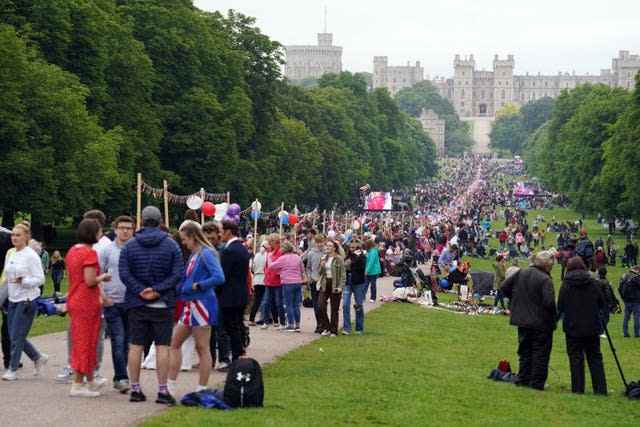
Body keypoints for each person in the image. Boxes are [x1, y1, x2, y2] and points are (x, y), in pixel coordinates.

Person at [119, 206, 183, 405]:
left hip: (137, 303)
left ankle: (135, 388)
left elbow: (124, 272)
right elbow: (177, 273)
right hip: (163, 304)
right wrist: (158, 290)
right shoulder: (172, 245)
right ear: (160, 220)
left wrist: (140, 290)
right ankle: (163, 390)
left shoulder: (130, 246)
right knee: (163, 346)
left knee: (135, 346)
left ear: (142, 220)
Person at [168, 222, 225, 394]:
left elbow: (219, 277)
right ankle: (170, 385)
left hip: (201, 304)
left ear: (193, 237)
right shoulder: (196, 254)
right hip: (190, 303)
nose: (183, 243)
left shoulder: (206, 253)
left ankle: (201, 387)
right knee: (175, 343)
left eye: (185, 239)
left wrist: (198, 285)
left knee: (202, 347)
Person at [65, 219, 113, 397]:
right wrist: (104, 277)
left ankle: (89, 379)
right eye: (99, 231)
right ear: (93, 233)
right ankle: (78, 384)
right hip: (86, 302)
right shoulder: (89, 254)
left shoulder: (72, 251)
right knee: (86, 342)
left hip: (75, 299)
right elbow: (90, 280)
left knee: (84, 340)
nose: (101, 235)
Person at [501, 250, 557, 391]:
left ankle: (523, 378)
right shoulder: (545, 279)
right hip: (541, 322)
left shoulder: (521, 273)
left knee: (525, 351)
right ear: (546, 265)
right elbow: (549, 303)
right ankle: (536, 383)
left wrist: (516, 301)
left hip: (523, 320)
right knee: (540, 353)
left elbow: (504, 287)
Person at [1, 223, 48, 381]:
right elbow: (6, 276)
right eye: (13, 235)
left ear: (26, 237)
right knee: (14, 334)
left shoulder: (31, 255)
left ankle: (12, 369)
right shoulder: (11, 253)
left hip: (27, 299)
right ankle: (37, 357)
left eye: (18, 235)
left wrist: (25, 281)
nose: (14, 238)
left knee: (16, 336)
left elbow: (40, 279)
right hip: (12, 298)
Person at [557, 257, 607, 395]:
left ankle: (578, 388)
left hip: (573, 327)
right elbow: (602, 302)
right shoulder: (593, 282)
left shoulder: (566, 284)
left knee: (575, 358)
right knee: (595, 357)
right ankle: (600, 388)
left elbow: (560, 305)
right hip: (592, 326)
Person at [98, 215, 135, 393]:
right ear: (115, 229)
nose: (125, 231)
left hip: (131, 302)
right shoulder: (107, 250)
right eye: (122, 228)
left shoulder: (136, 249)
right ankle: (121, 377)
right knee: (118, 340)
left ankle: (121, 374)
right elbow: (98, 274)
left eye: (129, 228)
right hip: (112, 301)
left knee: (127, 341)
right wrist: (103, 296)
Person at [218, 220, 251, 360]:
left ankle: (237, 355)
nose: (220, 235)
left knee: (231, 327)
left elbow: (223, 275)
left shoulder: (229, 251)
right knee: (237, 325)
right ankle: (239, 352)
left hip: (230, 295)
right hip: (240, 293)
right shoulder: (242, 248)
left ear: (228, 231)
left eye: (221, 231)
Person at [268, 241, 305, 332]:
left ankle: (291, 324)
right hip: (297, 282)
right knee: (296, 305)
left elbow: (271, 266)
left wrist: (269, 257)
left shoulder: (283, 258)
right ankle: (297, 325)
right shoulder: (297, 257)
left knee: (288, 304)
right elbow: (302, 269)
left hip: (287, 283)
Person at [317, 240, 346, 337]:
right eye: (327, 246)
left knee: (334, 309)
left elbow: (343, 274)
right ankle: (327, 327)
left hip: (335, 283)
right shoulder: (323, 258)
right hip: (325, 283)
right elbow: (320, 272)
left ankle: (333, 330)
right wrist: (321, 266)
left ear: (334, 248)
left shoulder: (339, 259)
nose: (327, 248)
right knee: (320, 305)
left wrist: (341, 286)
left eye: (330, 246)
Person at [261, 234, 286, 329]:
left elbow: (280, 265)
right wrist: (266, 273)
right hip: (269, 280)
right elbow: (267, 266)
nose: (269, 244)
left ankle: (282, 322)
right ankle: (266, 321)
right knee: (266, 302)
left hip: (277, 280)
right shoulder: (269, 252)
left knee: (279, 302)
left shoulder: (280, 252)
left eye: (270, 241)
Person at [343, 240, 367, 335]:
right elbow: (345, 266)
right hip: (348, 283)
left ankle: (359, 327)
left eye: (355, 247)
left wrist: (352, 262)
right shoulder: (347, 256)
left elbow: (361, 267)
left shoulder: (362, 257)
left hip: (358, 283)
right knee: (345, 305)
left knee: (359, 305)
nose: (352, 249)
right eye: (351, 247)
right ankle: (346, 328)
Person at [303, 234, 325, 333]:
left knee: (322, 303)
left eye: (321, 242)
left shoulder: (326, 252)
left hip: (323, 281)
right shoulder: (311, 253)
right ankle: (319, 324)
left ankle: (324, 323)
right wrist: (309, 277)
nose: (320, 244)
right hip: (314, 280)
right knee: (316, 304)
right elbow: (308, 267)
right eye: (318, 242)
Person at [248, 238, 267, 326]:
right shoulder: (267, 255)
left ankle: (252, 318)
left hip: (256, 278)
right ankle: (264, 318)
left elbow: (252, 268)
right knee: (264, 299)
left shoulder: (256, 255)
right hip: (264, 278)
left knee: (257, 300)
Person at [619, 265, 640, 338]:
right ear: (637, 270)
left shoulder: (624, 276)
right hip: (636, 300)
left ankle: (625, 333)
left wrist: (623, 298)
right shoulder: (637, 278)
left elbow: (620, 288)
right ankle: (637, 333)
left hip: (627, 300)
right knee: (637, 317)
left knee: (626, 317)